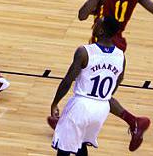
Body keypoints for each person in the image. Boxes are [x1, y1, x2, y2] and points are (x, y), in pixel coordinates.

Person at [58, 0, 153, 151]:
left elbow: (81, 15)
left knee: (88, 90)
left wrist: (95, 7)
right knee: (99, 93)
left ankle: (70, 121)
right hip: (119, 45)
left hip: (101, 43)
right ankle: (133, 122)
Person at [50, 17, 127, 156]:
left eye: (97, 23)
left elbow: (68, 80)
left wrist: (55, 103)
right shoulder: (121, 56)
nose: (94, 25)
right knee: (80, 145)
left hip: (81, 106)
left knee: (63, 148)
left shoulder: (84, 52)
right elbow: (118, 80)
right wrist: (105, 96)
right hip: (102, 108)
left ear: (102, 30)